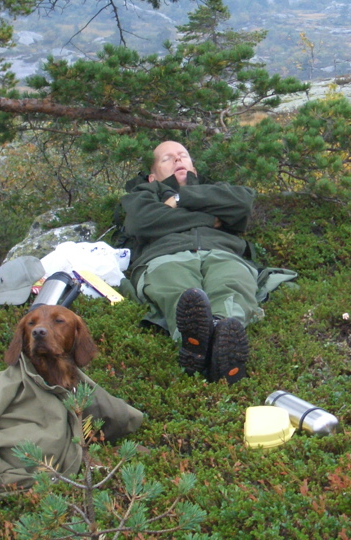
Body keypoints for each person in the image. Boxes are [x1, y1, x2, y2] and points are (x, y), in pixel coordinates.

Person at [120, 140, 295, 384]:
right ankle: (201, 344)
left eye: (183, 155)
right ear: (152, 177)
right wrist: (208, 218)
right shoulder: (144, 194)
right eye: (167, 158)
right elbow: (140, 222)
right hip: (165, 256)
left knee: (232, 285)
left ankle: (217, 333)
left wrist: (180, 200)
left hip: (223, 253)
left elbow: (243, 203)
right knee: (180, 293)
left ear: (193, 168)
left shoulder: (218, 189)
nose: (178, 159)